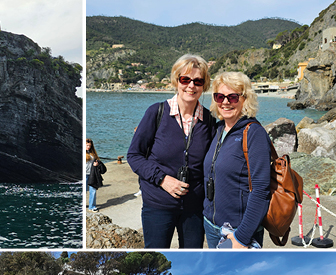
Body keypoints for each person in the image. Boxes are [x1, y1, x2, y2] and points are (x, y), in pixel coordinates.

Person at [127, 54, 216, 248]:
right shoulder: (156, 113)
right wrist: (162, 179)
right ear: (176, 81)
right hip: (157, 205)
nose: (191, 86)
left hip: (194, 208)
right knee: (155, 256)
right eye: (185, 79)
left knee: (192, 259)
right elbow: (134, 156)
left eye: (198, 81)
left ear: (204, 85)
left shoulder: (209, 121)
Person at [202, 72, 272, 248]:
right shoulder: (218, 130)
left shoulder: (254, 133)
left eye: (232, 97)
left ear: (245, 99)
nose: (225, 102)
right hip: (211, 226)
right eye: (220, 96)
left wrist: (242, 237)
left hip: (238, 230)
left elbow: (261, 190)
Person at [86, 138, 105, 212]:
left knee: (93, 190)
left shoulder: (93, 153)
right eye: (87, 145)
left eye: (89, 145)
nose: (88, 147)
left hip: (92, 174)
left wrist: (96, 164)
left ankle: (92, 206)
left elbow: (97, 160)